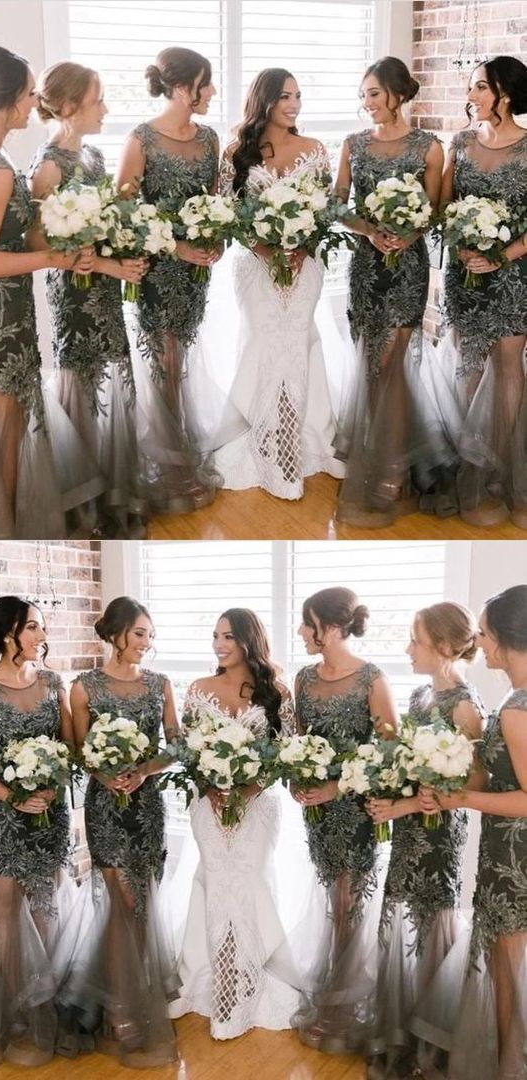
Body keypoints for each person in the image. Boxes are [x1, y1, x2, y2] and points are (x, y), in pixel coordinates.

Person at [210, 67, 346, 500]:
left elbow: (324, 211)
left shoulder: (315, 149)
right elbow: (227, 213)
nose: (294, 104)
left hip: (304, 267)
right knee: (265, 345)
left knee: (297, 345)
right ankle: (269, 443)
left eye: (298, 95)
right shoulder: (237, 151)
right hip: (256, 266)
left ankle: (290, 446)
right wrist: (264, 248)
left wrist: (304, 245)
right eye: (285, 96)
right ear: (264, 100)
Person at [365, 602, 485, 1078]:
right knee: (400, 925)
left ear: (444, 646)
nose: (407, 648)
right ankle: (405, 1036)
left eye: (415, 640)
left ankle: (431, 1050)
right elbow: (406, 767)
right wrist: (384, 784)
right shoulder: (417, 697)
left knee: (433, 928)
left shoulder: (465, 706)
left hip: (438, 838)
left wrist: (404, 806)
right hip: (408, 833)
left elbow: (471, 785)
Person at [58, 597, 180, 1066]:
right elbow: (78, 750)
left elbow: (178, 743)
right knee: (120, 902)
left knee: (144, 903)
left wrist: (145, 770)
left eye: (150, 634)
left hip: (147, 807)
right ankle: (118, 1008)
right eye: (139, 634)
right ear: (116, 635)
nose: (147, 643)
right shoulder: (83, 687)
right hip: (106, 808)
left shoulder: (160, 684)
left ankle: (134, 998)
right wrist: (106, 774)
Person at [28, 61, 148, 539]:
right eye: (98, 99)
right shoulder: (48, 166)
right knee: (81, 384)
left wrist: (129, 247)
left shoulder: (96, 158)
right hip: (74, 297)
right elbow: (40, 244)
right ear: (71, 106)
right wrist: (108, 266)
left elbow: (110, 225)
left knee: (112, 384)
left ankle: (110, 494)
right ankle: (84, 509)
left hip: (106, 291)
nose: (105, 108)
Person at [0, 44, 102, 539]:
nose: (36, 99)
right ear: (9, 99)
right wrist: (52, 258)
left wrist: (70, 234)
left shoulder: (1, 160)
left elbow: (17, 233)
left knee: (6, 436)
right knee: (2, 439)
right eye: (29, 91)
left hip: (8, 315)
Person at [170, 608, 302, 1039]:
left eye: (228, 636)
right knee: (216, 885)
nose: (219, 644)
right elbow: (189, 751)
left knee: (247, 885)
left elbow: (286, 754)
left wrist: (248, 789)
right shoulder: (198, 689)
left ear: (249, 640)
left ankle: (245, 981)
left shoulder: (276, 692)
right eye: (215, 636)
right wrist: (209, 786)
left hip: (257, 806)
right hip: (209, 806)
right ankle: (223, 983)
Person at [416, 585, 527, 1080]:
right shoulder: (512, 699)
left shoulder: (517, 708)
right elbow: (496, 773)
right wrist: (445, 782)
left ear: (504, 639)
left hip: (514, 861)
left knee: (509, 974)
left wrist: (460, 799)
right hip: (505, 853)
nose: (477, 640)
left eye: (483, 631)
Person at [334, 56, 446, 527]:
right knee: (370, 365)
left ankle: (392, 470)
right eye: (363, 95)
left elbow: (437, 210)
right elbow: (336, 203)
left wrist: (410, 233)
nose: (367, 104)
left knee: (394, 364)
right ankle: (375, 460)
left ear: (398, 93)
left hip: (407, 270)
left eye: (374, 94)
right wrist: (367, 230)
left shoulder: (429, 147)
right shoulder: (353, 144)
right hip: (366, 265)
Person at [292, 586, 398, 1053]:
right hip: (317, 812)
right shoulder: (303, 678)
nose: (301, 631)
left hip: (356, 811)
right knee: (331, 900)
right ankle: (336, 1000)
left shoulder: (372, 678)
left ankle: (344, 1007)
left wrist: (339, 786)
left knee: (347, 905)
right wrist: (295, 781)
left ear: (331, 628)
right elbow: (297, 740)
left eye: (307, 622)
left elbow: (389, 750)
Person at [116, 46, 221, 511]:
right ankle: (169, 468)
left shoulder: (210, 138)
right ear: (181, 88)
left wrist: (216, 242)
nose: (212, 91)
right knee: (166, 366)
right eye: (206, 82)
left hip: (197, 273)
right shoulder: (142, 139)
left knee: (183, 361)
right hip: (157, 272)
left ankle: (179, 461)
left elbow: (216, 201)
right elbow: (124, 210)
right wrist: (175, 245)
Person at [439, 56, 527, 528]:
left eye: (478, 87)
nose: (470, 95)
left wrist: (502, 255)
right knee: (467, 365)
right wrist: (461, 244)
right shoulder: (462, 141)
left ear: (504, 95)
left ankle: (499, 469)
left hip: (514, 274)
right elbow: (443, 206)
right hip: (465, 274)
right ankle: (469, 467)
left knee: (509, 367)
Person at [0, 596, 73, 1067]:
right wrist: (11, 795)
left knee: (45, 905)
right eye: (34, 627)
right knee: (3, 906)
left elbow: (69, 747)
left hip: (47, 813)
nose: (42, 635)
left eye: (41, 627)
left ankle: (43, 1005)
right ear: (9, 635)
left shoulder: (52, 681)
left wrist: (53, 788)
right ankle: (11, 1007)